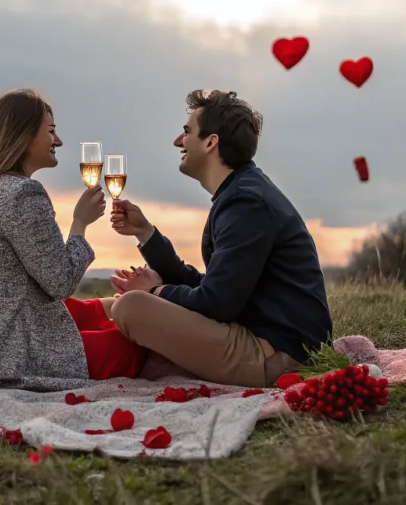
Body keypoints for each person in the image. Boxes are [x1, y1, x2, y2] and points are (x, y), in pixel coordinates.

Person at [108, 89, 333, 389]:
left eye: (187, 132)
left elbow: (215, 302)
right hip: (265, 339)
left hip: (279, 356)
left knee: (130, 307)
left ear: (211, 142)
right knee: (115, 303)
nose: (178, 141)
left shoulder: (246, 203)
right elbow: (212, 287)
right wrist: (145, 232)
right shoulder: (241, 193)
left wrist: (156, 291)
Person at [0, 88, 146, 390]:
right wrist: (80, 224)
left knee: (96, 314)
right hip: (13, 351)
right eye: (52, 132)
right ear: (25, 135)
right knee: (134, 346)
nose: (58, 141)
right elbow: (60, 282)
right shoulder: (22, 194)